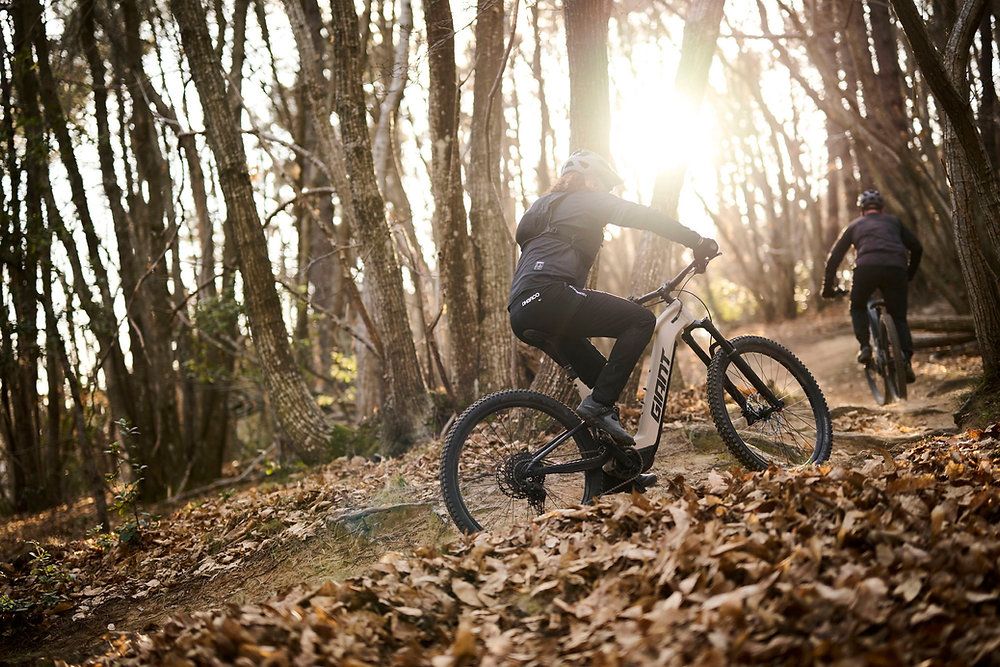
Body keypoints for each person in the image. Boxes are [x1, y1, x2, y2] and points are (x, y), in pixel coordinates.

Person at [508, 149, 718, 486]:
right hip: (551, 296)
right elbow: (644, 216)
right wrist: (695, 240)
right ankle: (600, 408)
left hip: (522, 308)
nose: (607, 191)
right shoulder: (586, 200)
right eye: (604, 184)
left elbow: (550, 258)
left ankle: (616, 472)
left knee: (601, 380)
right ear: (589, 180)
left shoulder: (542, 210)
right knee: (640, 321)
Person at [821, 188, 922, 383]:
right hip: (896, 269)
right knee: (899, 317)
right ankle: (905, 360)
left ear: (862, 210)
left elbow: (834, 257)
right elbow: (917, 248)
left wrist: (827, 288)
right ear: (882, 209)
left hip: (866, 269)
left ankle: (865, 347)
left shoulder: (855, 225)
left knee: (857, 306)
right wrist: (908, 274)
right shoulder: (894, 222)